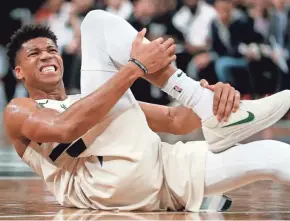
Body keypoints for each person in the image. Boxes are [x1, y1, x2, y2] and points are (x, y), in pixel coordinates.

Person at [3, 10, 290, 212]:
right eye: (34, 53)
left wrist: (214, 99)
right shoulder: (19, 109)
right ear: (18, 72)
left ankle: (206, 105)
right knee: (95, 23)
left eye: (52, 50)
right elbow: (65, 128)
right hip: (104, 183)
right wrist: (135, 67)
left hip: (162, 173)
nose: (47, 55)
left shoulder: (99, 102)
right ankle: (196, 98)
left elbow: (175, 121)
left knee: (274, 154)